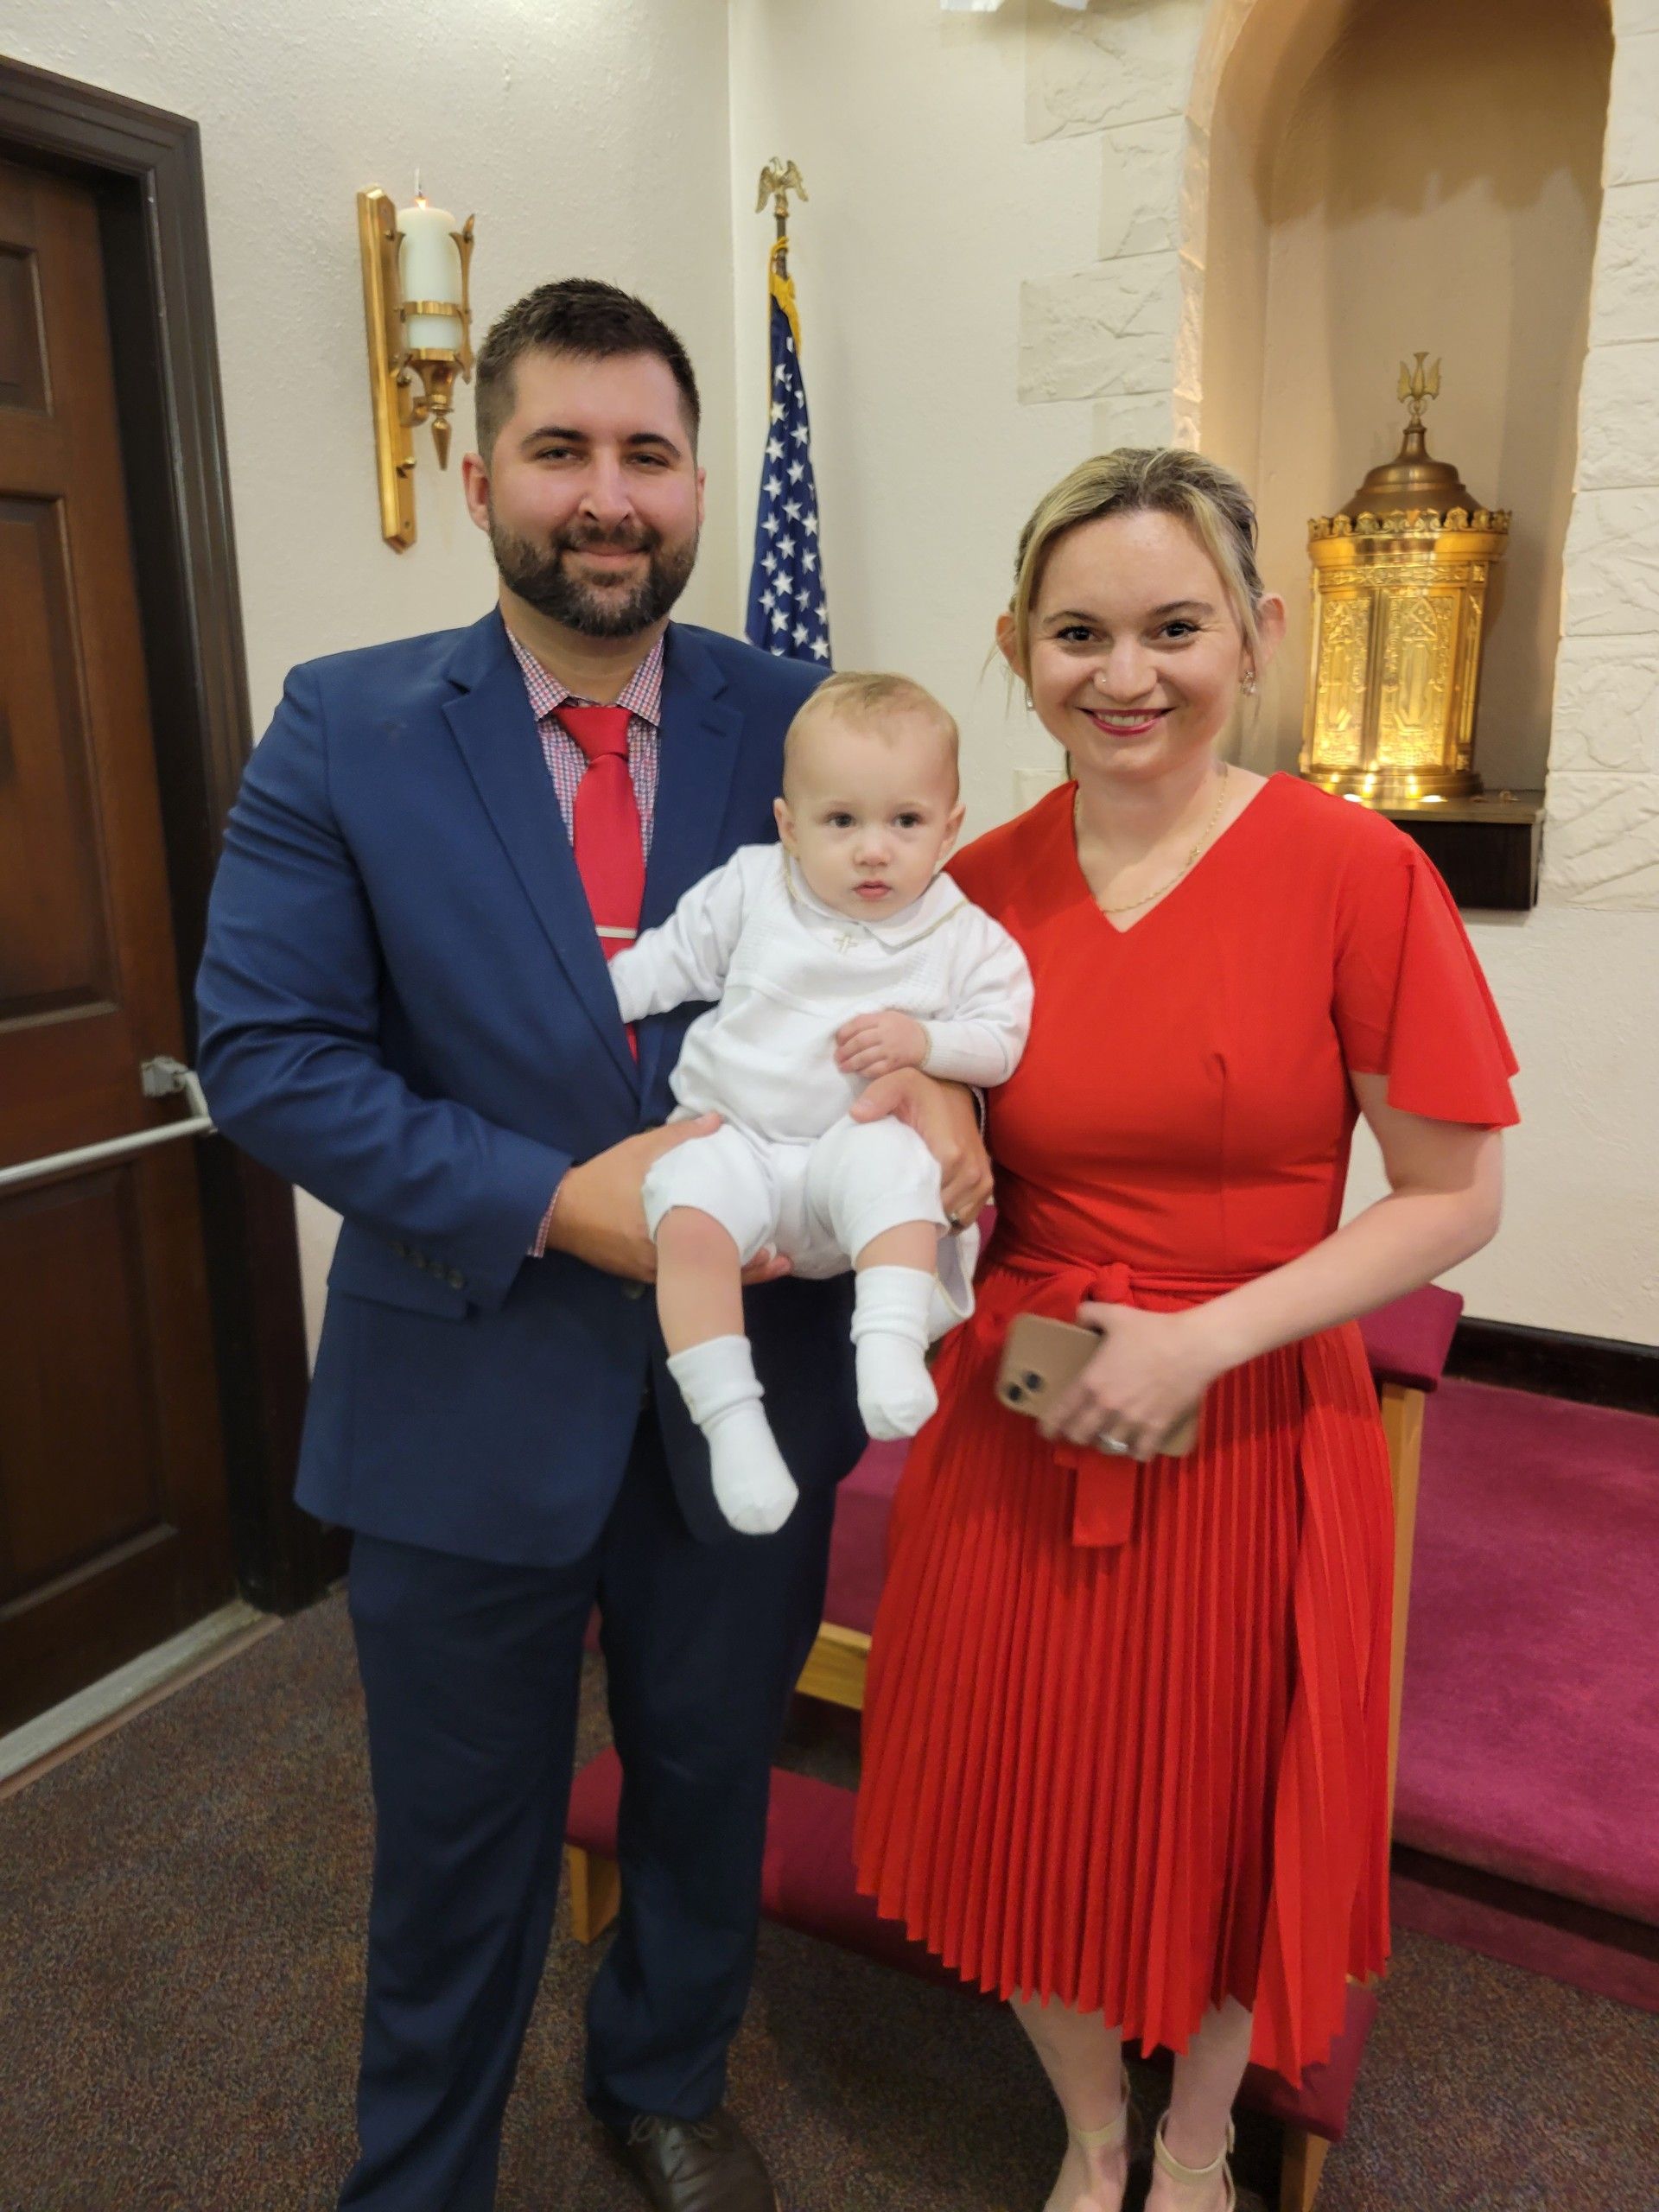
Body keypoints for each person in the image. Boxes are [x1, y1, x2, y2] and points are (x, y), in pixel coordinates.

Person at [194, 278, 989, 2212]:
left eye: (646, 452)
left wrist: (954, 1093)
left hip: (756, 1389)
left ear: (703, 480)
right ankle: (424, 2170)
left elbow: (923, 944)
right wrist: (558, 1198)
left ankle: (661, 2076)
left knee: (712, 1779)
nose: (607, 494)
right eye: (561, 449)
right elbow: (269, 1058)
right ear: (480, 476)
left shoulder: (800, 712)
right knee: (458, 1833)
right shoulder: (350, 724)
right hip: (463, 1373)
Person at [853, 448, 1517, 2212]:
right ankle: (1089, 2132)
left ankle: (1203, 2139)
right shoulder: (965, 884)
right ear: (1015, 643)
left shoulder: (1352, 872)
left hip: (1246, 1416)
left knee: (1229, 1812)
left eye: (1174, 625)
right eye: (1078, 631)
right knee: (1022, 1793)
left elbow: (1453, 1195)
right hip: (1029, 1390)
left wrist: (1202, 1343)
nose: (1125, 673)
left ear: (1260, 630)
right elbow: (907, 1118)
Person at [608, 671, 1033, 1533]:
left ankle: (885, 1351)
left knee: (897, 1162)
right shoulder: (753, 888)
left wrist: (927, 1045)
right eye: (842, 822)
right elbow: (661, 967)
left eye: (905, 822)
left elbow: (1002, 1038)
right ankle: (733, 1425)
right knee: (685, 1212)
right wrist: (577, 1001)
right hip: (740, 1144)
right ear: (788, 826)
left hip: (851, 1156)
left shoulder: (960, 934)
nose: (874, 850)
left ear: (950, 830)